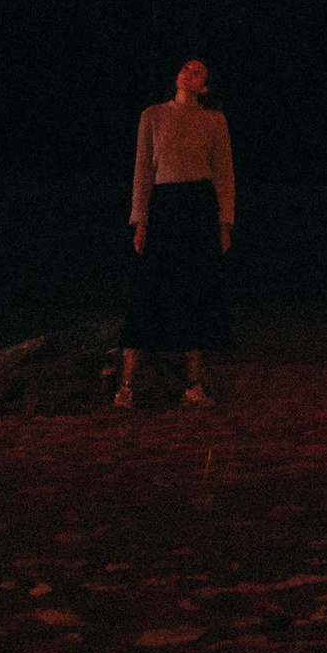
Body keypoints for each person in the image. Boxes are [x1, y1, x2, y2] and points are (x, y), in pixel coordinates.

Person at [116, 58, 234, 407]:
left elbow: (223, 172)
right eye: (186, 67)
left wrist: (224, 223)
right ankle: (126, 385)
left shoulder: (214, 120)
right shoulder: (152, 115)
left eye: (198, 71)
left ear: (205, 86)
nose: (189, 72)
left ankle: (193, 385)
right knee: (146, 288)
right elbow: (142, 170)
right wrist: (140, 220)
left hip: (198, 206)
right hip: (164, 204)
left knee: (195, 289)